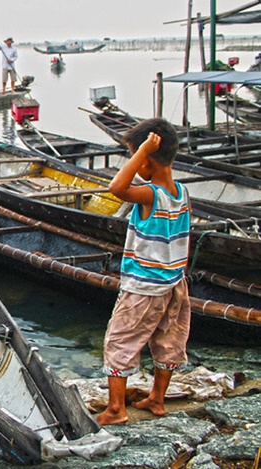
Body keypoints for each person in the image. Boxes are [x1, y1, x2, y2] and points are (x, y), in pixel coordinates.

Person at [96, 118, 191, 426]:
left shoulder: (151, 194)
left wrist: (141, 152)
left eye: (136, 160)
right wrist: (144, 152)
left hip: (143, 288)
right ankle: (158, 400)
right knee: (168, 340)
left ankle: (116, 409)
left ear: (146, 161)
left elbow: (116, 188)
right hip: (175, 284)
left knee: (120, 341)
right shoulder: (182, 192)